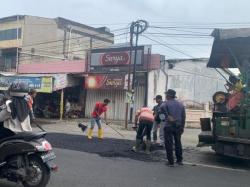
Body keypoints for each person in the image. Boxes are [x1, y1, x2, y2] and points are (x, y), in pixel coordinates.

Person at [160, 89, 186, 167]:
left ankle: (171, 162)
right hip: (178, 126)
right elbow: (184, 117)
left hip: (169, 126)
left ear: (168, 96)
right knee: (178, 143)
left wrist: (165, 118)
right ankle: (179, 160)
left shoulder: (164, 104)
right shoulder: (181, 105)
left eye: (166, 95)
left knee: (169, 144)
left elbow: (162, 116)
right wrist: (182, 127)